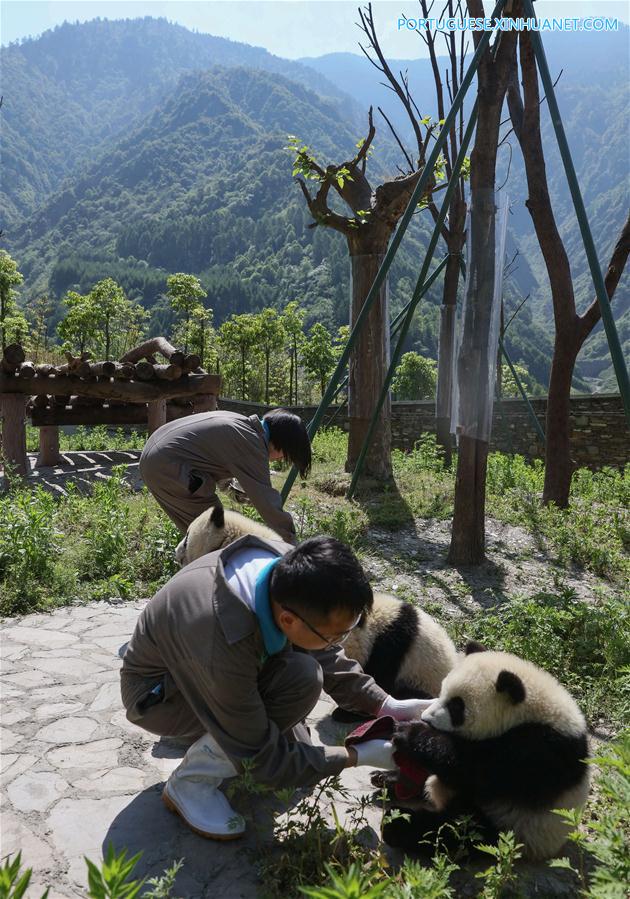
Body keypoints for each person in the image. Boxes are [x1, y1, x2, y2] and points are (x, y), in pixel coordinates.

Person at [120, 534, 431, 840]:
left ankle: (238, 734)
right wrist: (357, 756)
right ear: (288, 620)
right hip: (161, 698)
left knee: (303, 678)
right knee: (272, 749)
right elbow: (262, 760)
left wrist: (386, 705)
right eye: (335, 635)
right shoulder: (222, 643)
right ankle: (191, 783)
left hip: (214, 670)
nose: (339, 642)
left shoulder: (291, 570)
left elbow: (324, 650)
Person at [139, 408, 311, 544]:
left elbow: (213, 460)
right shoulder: (252, 445)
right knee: (216, 534)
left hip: (155, 454)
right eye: (286, 455)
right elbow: (267, 503)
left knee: (203, 533)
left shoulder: (241, 424)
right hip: (168, 466)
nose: (281, 459)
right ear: (282, 443)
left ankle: (200, 566)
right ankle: (209, 573)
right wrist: (290, 543)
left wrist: (236, 492)